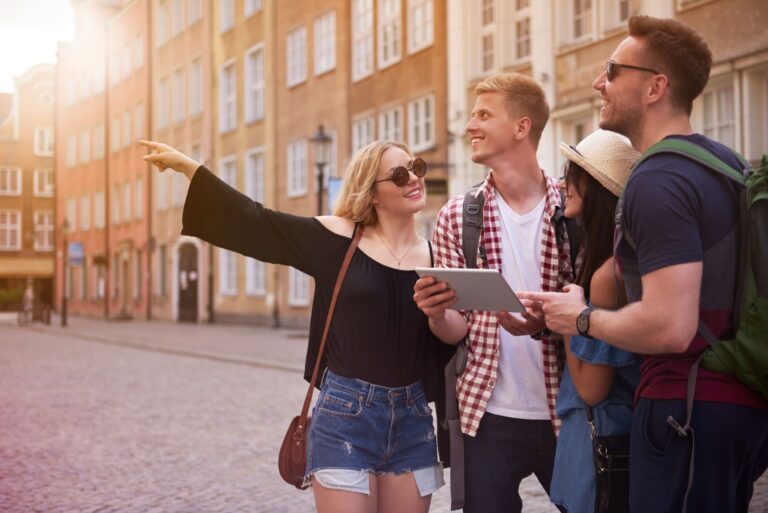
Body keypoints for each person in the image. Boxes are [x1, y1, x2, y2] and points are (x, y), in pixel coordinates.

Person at [519, 15, 768, 513]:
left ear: (656, 86)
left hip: (685, 410)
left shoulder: (657, 180)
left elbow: (670, 326)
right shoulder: (728, 166)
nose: (598, 82)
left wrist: (580, 318)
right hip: (739, 407)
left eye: (612, 70)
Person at [140, 139, 454, 513]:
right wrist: (190, 168)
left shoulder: (437, 255)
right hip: (346, 418)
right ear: (372, 194)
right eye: (400, 174)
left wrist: (437, 314)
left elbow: (455, 334)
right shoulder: (338, 239)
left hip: (413, 420)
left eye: (417, 167)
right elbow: (258, 222)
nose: (414, 179)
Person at [413, 72, 573, 513]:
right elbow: (455, 330)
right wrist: (435, 313)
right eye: (472, 114)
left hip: (570, 411)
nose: (470, 125)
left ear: (522, 127)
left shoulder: (572, 209)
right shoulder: (456, 217)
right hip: (486, 414)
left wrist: (545, 324)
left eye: (484, 114)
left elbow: (594, 309)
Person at [547, 129, 641, 513]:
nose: (565, 182)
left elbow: (591, 389)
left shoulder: (606, 277)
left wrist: (571, 316)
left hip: (599, 443)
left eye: (575, 173)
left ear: (599, 189)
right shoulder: (622, 263)